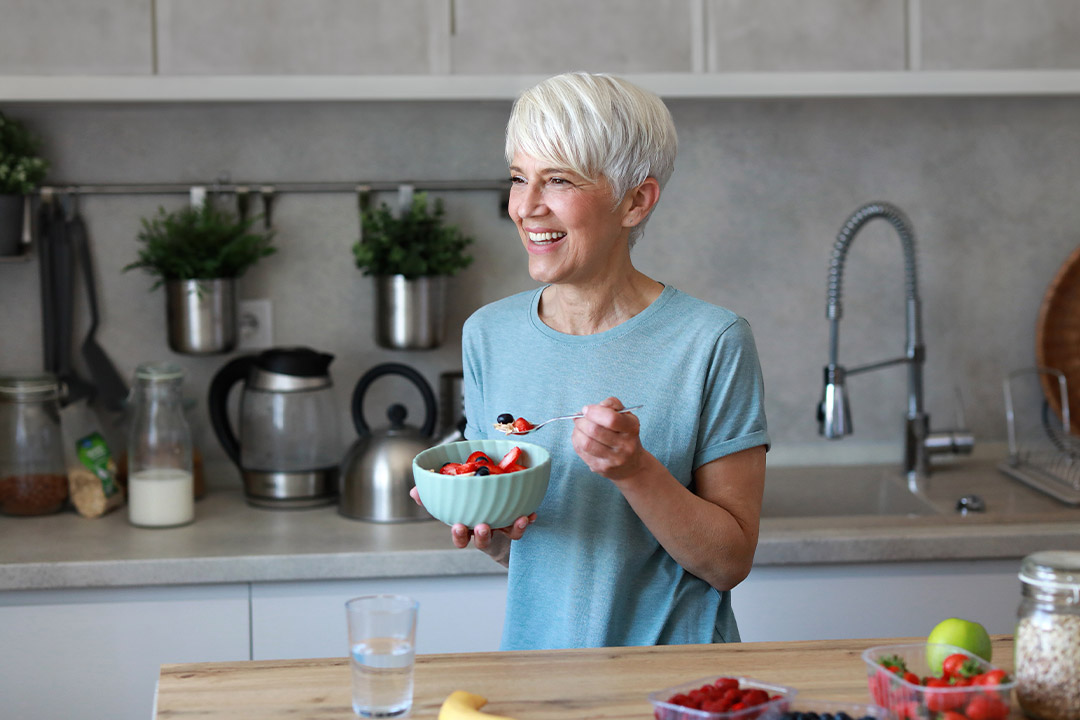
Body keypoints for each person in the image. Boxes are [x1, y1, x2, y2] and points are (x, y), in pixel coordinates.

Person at [414, 72, 769, 650]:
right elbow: (529, 553)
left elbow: (728, 562)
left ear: (635, 201)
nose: (526, 207)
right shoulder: (488, 335)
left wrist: (635, 470)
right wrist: (489, 528)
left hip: (677, 683)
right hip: (541, 678)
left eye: (558, 180)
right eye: (519, 178)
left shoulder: (712, 341)